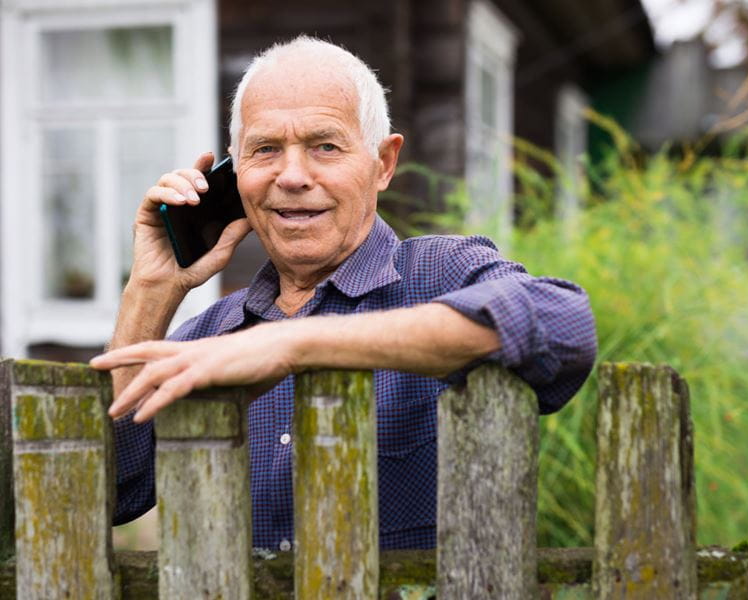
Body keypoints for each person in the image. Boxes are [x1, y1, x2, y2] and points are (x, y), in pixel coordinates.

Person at [91, 36, 597, 551]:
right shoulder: (211, 337)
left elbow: (565, 323)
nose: (291, 176)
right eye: (265, 149)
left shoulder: (440, 273)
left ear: (383, 163)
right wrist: (150, 289)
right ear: (235, 172)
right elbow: (106, 494)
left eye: (324, 146)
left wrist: (292, 345)